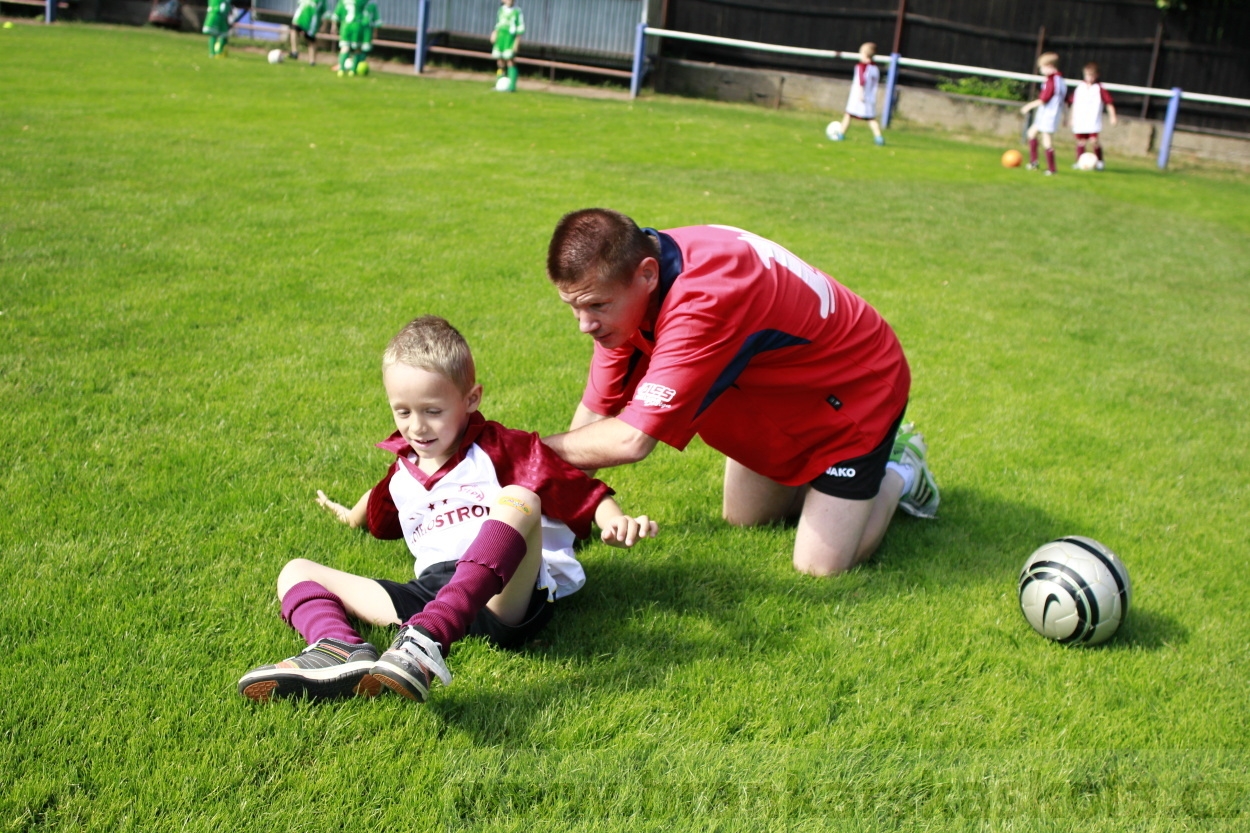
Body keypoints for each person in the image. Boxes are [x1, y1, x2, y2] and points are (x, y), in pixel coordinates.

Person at [238, 316, 657, 703]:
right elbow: (380, 503)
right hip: (430, 593)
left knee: (521, 499)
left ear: (471, 398)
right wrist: (351, 514)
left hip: (502, 594)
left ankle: (427, 639)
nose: (417, 427)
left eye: (433, 412)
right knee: (295, 570)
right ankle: (338, 647)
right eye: (402, 411)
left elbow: (574, 485)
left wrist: (614, 520)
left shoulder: (498, 447)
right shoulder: (402, 474)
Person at [541, 209, 939, 579]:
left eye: (595, 306)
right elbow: (597, 412)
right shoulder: (628, 281)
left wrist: (522, 450)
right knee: (746, 520)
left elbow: (632, 439)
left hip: (858, 391)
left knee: (819, 566)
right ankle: (828, 489)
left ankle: (899, 469)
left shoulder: (703, 300)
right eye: (573, 308)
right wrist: (558, 515)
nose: (584, 324)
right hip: (779, 395)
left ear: (647, 275)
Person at [829, 42, 885, 146]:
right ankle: (879, 138)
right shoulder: (875, 68)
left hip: (859, 97)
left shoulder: (861, 67)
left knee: (848, 115)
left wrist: (860, 94)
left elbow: (861, 81)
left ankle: (840, 135)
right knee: (871, 119)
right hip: (870, 97)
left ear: (864, 54)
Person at [1020, 52, 1067, 175]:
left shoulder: (1052, 81)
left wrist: (1028, 106)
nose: (1041, 70)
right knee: (1031, 133)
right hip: (1047, 114)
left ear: (1050, 66)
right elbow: (1064, 101)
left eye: (1042, 67)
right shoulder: (1060, 80)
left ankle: (1052, 169)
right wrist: (1066, 116)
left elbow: (1044, 99)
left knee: (1047, 141)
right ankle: (1034, 162)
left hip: (1049, 115)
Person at [1066, 62, 1118, 170]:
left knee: (1094, 141)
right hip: (1080, 119)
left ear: (1097, 75)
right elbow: (1073, 103)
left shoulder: (1099, 88)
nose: (1089, 78)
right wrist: (1070, 118)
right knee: (1081, 141)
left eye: (1092, 75)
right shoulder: (1080, 87)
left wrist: (1113, 116)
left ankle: (1100, 162)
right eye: (1087, 75)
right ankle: (1079, 162)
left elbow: (1109, 103)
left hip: (1093, 119)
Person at [332, 0, 379, 77]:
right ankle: (353, 70)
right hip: (357, 25)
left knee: (344, 47)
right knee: (357, 49)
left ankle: (341, 69)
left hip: (345, 25)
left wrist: (334, 25)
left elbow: (337, 14)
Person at [490, 0, 525, 92]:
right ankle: (499, 83)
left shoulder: (517, 11)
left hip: (510, 39)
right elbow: (498, 24)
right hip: (501, 38)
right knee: (500, 62)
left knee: (510, 61)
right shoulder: (501, 10)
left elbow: (520, 28)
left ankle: (512, 86)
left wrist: (517, 42)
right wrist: (494, 33)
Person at [287, 0, 328, 66]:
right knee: (294, 29)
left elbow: (324, 12)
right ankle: (294, 52)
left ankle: (312, 61)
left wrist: (323, 24)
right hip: (300, 17)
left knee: (311, 40)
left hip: (312, 21)